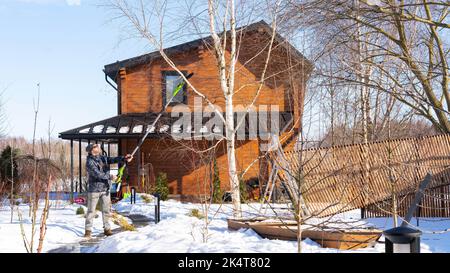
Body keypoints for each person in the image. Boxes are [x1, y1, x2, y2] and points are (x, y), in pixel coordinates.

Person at [84, 143, 133, 238]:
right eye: (96, 146)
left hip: (105, 189)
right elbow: (97, 174)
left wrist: (124, 158)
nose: (98, 147)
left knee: (106, 211)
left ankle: (107, 229)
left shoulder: (102, 158)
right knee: (91, 211)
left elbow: (113, 159)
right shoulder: (89, 162)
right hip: (94, 190)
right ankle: (88, 231)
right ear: (92, 150)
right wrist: (110, 177)